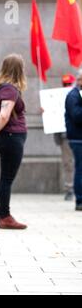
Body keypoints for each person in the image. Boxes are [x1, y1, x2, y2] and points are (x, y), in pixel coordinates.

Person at [0, 54, 28, 229]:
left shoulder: (3, 88)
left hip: (10, 137)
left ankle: (5, 215)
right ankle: (5, 217)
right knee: (6, 178)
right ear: (19, 70)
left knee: (6, 177)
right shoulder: (9, 89)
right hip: (11, 138)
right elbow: (4, 115)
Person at [55, 74, 76, 201]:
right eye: (65, 84)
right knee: (68, 163)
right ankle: (69, 188)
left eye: (69, 84)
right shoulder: (58, 98)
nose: (67, 86)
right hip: (65, 136)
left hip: (77, 134)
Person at [65, 69, 82, 211]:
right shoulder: (73, 96)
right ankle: (80, 201)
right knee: (80, 169)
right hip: (77, 139)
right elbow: (76, 116)